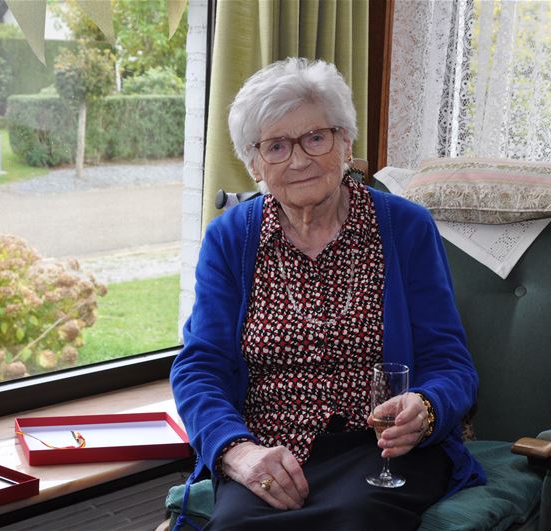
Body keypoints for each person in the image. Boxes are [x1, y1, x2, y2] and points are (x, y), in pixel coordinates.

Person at [170, 57, 486, 530]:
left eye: (315, 138)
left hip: (382, 453)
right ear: (254, 163)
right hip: (271, 455)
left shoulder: (404, 228)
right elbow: (199, 368)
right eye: (275, 146)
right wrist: (237, 451)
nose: (298, 160)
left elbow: (450, 361)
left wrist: (425, 407)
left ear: (346, 143)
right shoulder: (231, 239)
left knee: (354, 520)